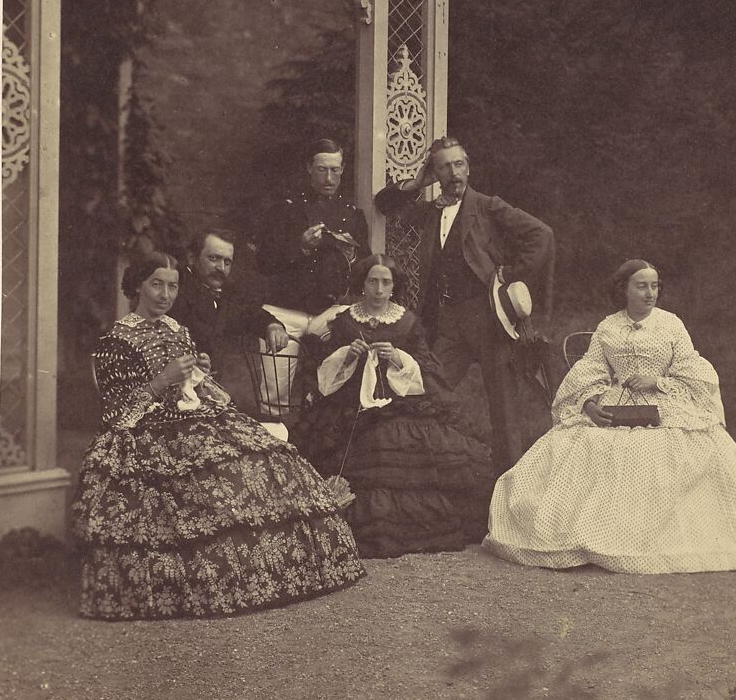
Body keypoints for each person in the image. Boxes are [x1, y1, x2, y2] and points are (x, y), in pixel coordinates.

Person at [70, 251, 365, 620]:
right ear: (136, 286)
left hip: (197, 415)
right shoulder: (116, 340)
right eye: (156, 284)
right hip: (146, 433)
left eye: (173, 286)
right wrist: (162, 382)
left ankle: (272, 572)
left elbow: (201, 390)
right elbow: (117, 414)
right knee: (212, 483)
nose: (165, 294)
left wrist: (201, 374)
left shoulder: (178, 331)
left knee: (266, 455)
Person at [483, 259, 736, 574]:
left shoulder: (671, 325)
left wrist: (658, 381)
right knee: (584, 446)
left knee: (679, 452)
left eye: (654, 286)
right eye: (641, 286)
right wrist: (588, 403)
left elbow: (693, 370)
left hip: (663, 403)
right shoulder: (609, 327)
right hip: (617, 404)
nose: (650, 293)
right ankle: (589, 534)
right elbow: (590, 370)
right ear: (623, 289)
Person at [375, 135, 554, 475]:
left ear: (468, 168)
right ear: (435, 172)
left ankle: (509, 486)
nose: (453, 172)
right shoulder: (429, 212)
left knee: (504, 410)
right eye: (444, 166)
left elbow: (541, 235)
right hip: (447, 321)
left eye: (459, 164)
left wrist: (509, 276)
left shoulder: (487, 206)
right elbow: (385, 205)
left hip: (488, 318)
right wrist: (416, 182)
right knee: (428, 388)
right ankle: (428, 466)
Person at [294, 254, 493, 558]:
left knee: (404, 442)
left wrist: (399, 357)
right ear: (362, 283)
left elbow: (429, 369)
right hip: (349, 403)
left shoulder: (407, 322)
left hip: (401, 401)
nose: (378, 288)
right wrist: (348, 355)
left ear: (394, 286)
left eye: (385, 282)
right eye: (372, 281)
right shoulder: (345, 321)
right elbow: (321, 368)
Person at [257, 138, 371, 316]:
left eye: (334, 170)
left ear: (342, 169)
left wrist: (352, 256)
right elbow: (264, 263)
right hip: (289, 308)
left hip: (335, 310)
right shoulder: (286, 209)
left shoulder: (353, 214)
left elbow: (365, 267)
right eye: (321, 170)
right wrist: (301, 247)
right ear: (309, 168)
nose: (328, 179)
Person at [169, 227, 291, 375]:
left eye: (227, 262)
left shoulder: (220, 291)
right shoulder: (175, 291)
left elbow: (247, 312)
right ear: (192, 258)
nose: (221, 268)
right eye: (213, 258)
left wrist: (272, 326)